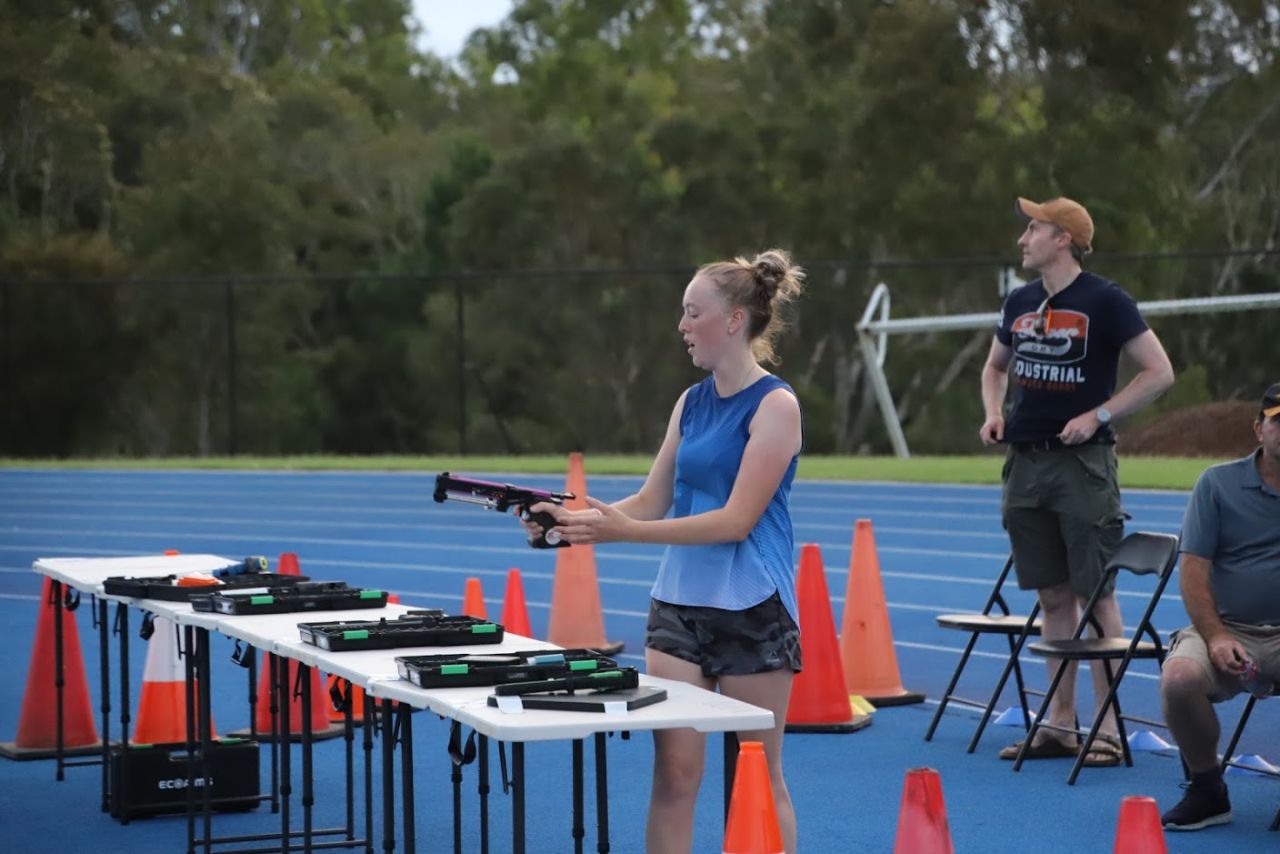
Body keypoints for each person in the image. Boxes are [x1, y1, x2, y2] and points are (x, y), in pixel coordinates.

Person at [530, 249, 805, 853]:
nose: (682, 325)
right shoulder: (692, 402)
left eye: (692, 312)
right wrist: (572, 523)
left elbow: (736, 521)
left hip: (752, 608)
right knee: (675, 774)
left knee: (757, 775)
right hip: (678, 607)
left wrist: (624, 533)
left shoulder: (777, 407)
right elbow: (653, 499)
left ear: (734, 320)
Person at [979, 196, 1175, 766]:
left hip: (1083, 466)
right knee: (1052, 595)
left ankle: (1108, 728)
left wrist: (1100, 414)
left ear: (1062, 238)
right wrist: (993, 412)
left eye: (1033, 229)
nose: (1024, 240)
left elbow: (1159, 371)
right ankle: (1059, 724)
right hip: (1025, 464)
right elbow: (994, 367)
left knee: (1097, 594)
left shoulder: (1106, 300)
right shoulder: (1020, 301)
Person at [1159, 383, 1280, 830]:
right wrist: (1215, 636)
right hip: (1230, 626)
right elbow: (1193, 569)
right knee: (1179, 679)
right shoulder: (1217, 484)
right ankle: (1208, 789)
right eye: (1279, 422)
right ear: (1259, 429)